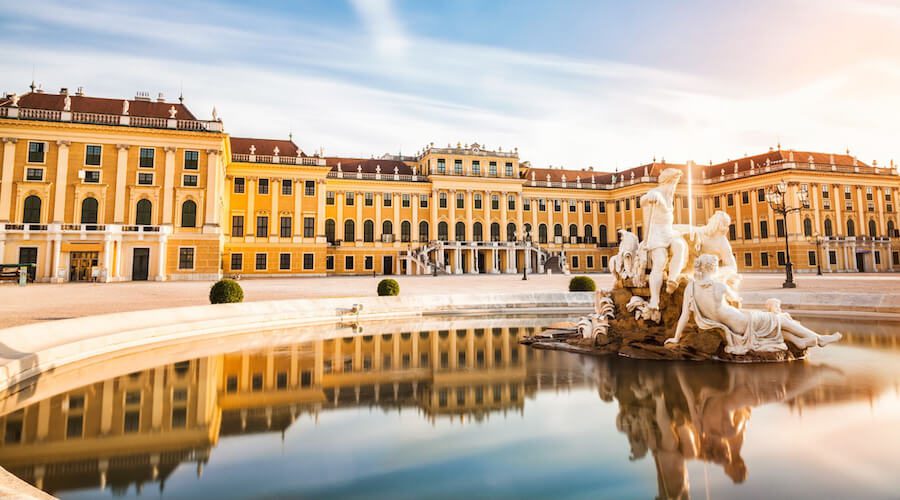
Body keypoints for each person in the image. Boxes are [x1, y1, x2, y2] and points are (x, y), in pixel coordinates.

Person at [666, 254, 841, 354]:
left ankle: (800, 341)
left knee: (773, 326)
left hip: (734, 324)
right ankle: (819, 338)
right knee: (779, 319)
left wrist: (676, 337)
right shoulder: (719, 285)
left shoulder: (691, 287)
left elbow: (683, 316)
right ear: (713, 268)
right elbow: (737, 300)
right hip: (741, 323)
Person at [639, 168, 688, 311]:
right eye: (674, 182)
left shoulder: (669, 195)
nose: (675, 186)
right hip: (655, 233)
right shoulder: (657, 193)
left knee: (680, 246)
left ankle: (672, 279)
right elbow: (643, 200)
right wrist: (651, 196)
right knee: (660, 260)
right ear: (668, 181)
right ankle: (655, 299)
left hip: (668, 232)